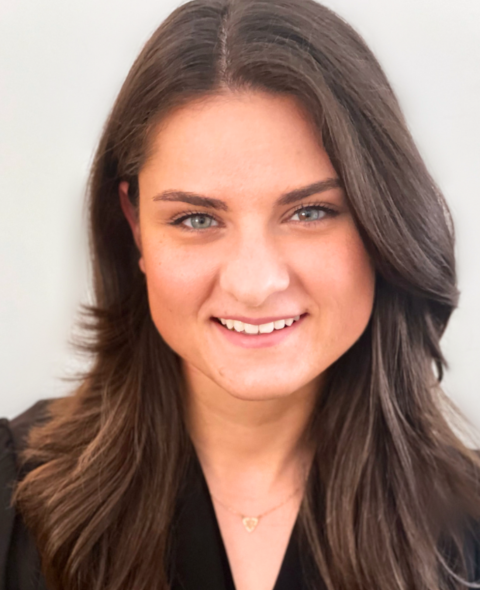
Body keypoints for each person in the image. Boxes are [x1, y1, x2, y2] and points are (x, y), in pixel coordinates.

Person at [1, 0, 480, 588]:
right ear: (134, 226)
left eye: (310, 211)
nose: (254, 285)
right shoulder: (10, 495)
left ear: (385, 224)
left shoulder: (471, 524)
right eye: (197, 220)